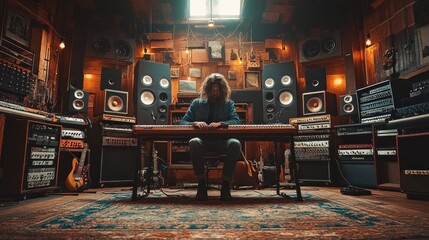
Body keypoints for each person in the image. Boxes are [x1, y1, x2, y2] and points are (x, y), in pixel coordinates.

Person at [179, 73, 241, 201]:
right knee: (194, 141)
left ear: (222, 90)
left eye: (218, 90)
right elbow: (182, 123)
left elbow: (236, 121)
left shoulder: (228, 104)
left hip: (222, 142)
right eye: (212, 90)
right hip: (203, 142)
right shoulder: (196, 103)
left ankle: (225, 185)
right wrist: (194, 123)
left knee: (235, 143)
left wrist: (221, 124)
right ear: (208, 89)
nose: (215, 92)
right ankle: (201, 185)